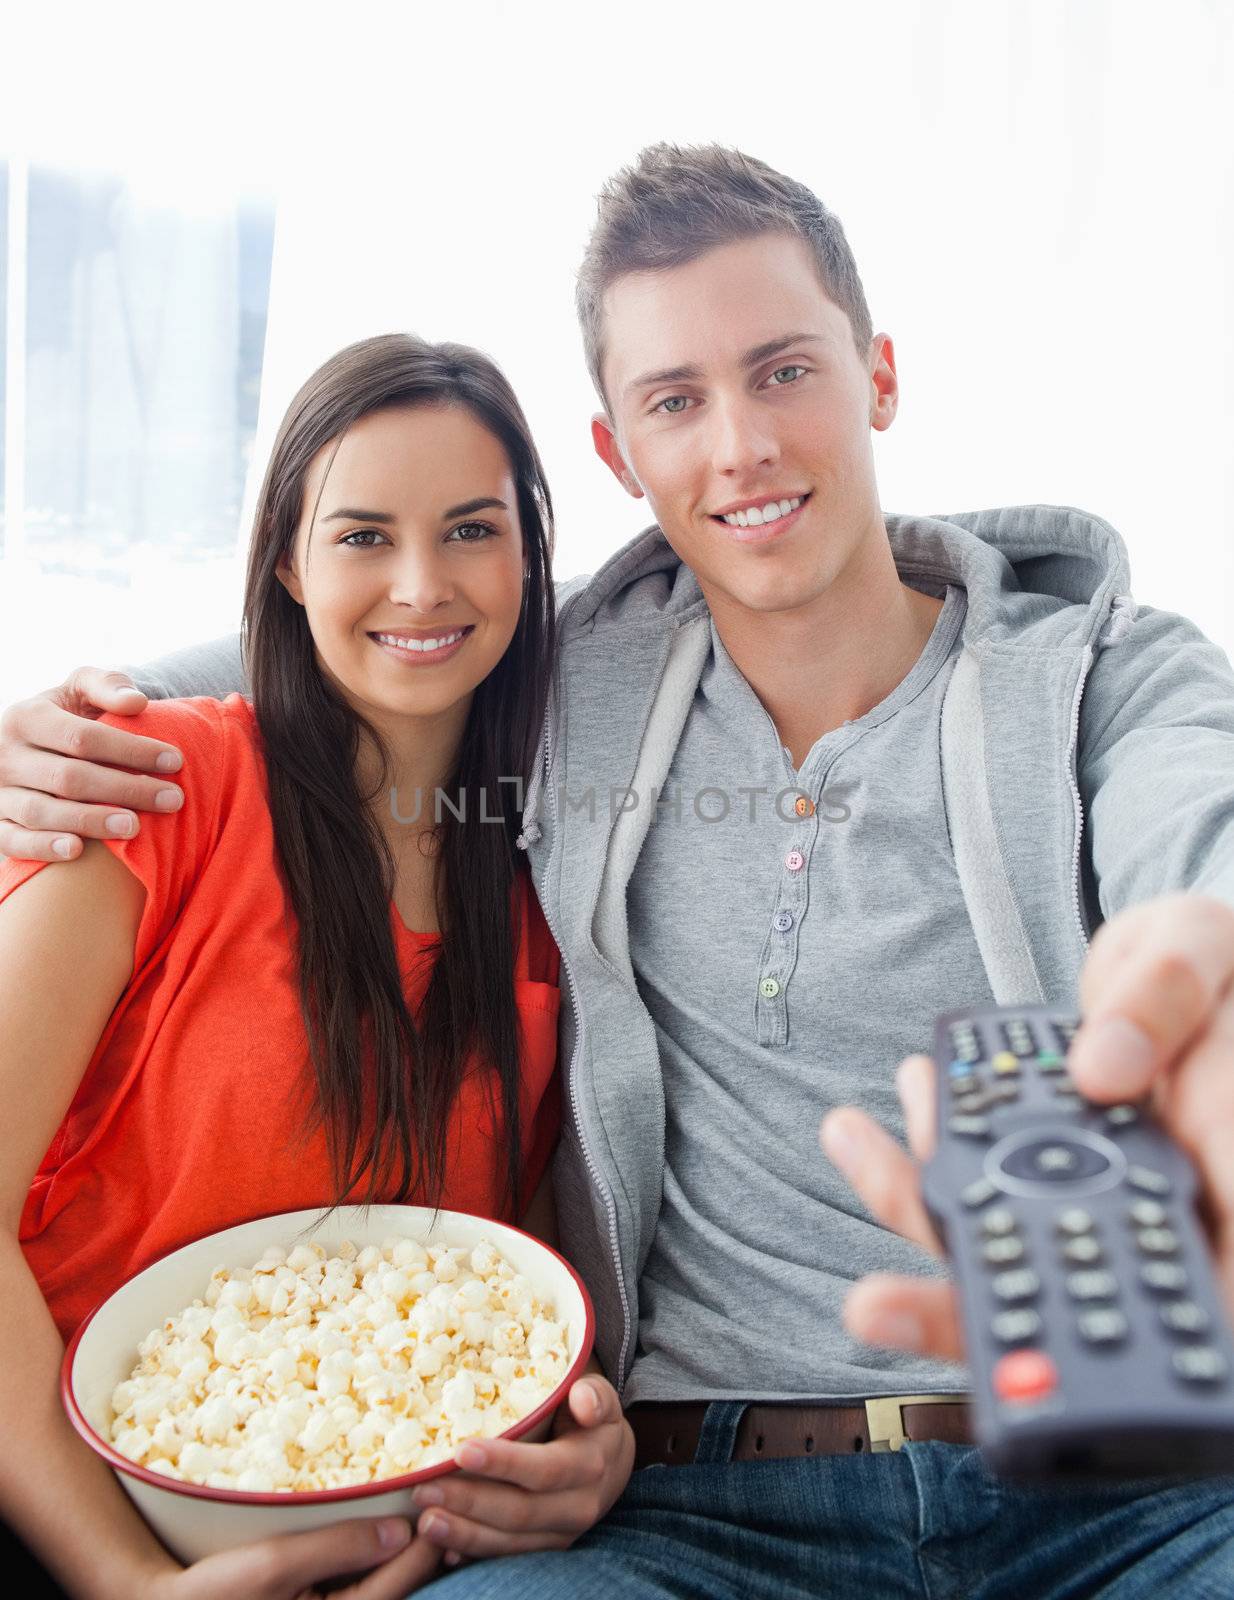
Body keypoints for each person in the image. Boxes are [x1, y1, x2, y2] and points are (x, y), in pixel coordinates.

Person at [4, 144, 1234, 1594]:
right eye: (674, 402)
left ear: (878, 375)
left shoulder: (1108, 679)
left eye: (783, 371)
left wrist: (1197, 981)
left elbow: (1196, 846)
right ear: (617, 458)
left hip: (1120, 1475)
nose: (740, 448)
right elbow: (363, 633)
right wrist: (66, 721)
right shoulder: (585, 666)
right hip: (701, 1499)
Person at [0, 333, 634, 1600]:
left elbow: (490, 1297)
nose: (420, 586)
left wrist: (587, 1451)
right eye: (360, 537)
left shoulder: (550, 885)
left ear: (528, 556)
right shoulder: (148, 788)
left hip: (380, 1538)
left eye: (470, 530)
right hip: (53, 1501)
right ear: (287, 562)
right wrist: (126, 1581)